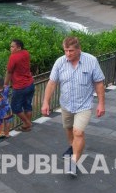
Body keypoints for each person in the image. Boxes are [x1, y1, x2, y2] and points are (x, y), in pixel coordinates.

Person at [41, 36, 105, 177]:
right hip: (66, 105)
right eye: (65, 51)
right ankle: (73, 147)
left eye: (71, 51)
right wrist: (45, 101)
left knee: (78, 132)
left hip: (84, 105)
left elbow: (99, 83)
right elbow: (52, 83)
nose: (68, 54)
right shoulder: (60, 62)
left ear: (79, 49)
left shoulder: (91, 61)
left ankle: (74, 162)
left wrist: (101, 104)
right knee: (69, 130)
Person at [4, 39, 35, 132]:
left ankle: (28, 123)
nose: (11, 48)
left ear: (19, 47)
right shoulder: (26, 53)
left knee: (15, 108)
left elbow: (9, 72)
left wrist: (5, 84)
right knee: (27, 105)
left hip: (20, 86)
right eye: (10, 46)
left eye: (13, 46)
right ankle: (27, 126)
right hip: (30, 84)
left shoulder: (13, 57)